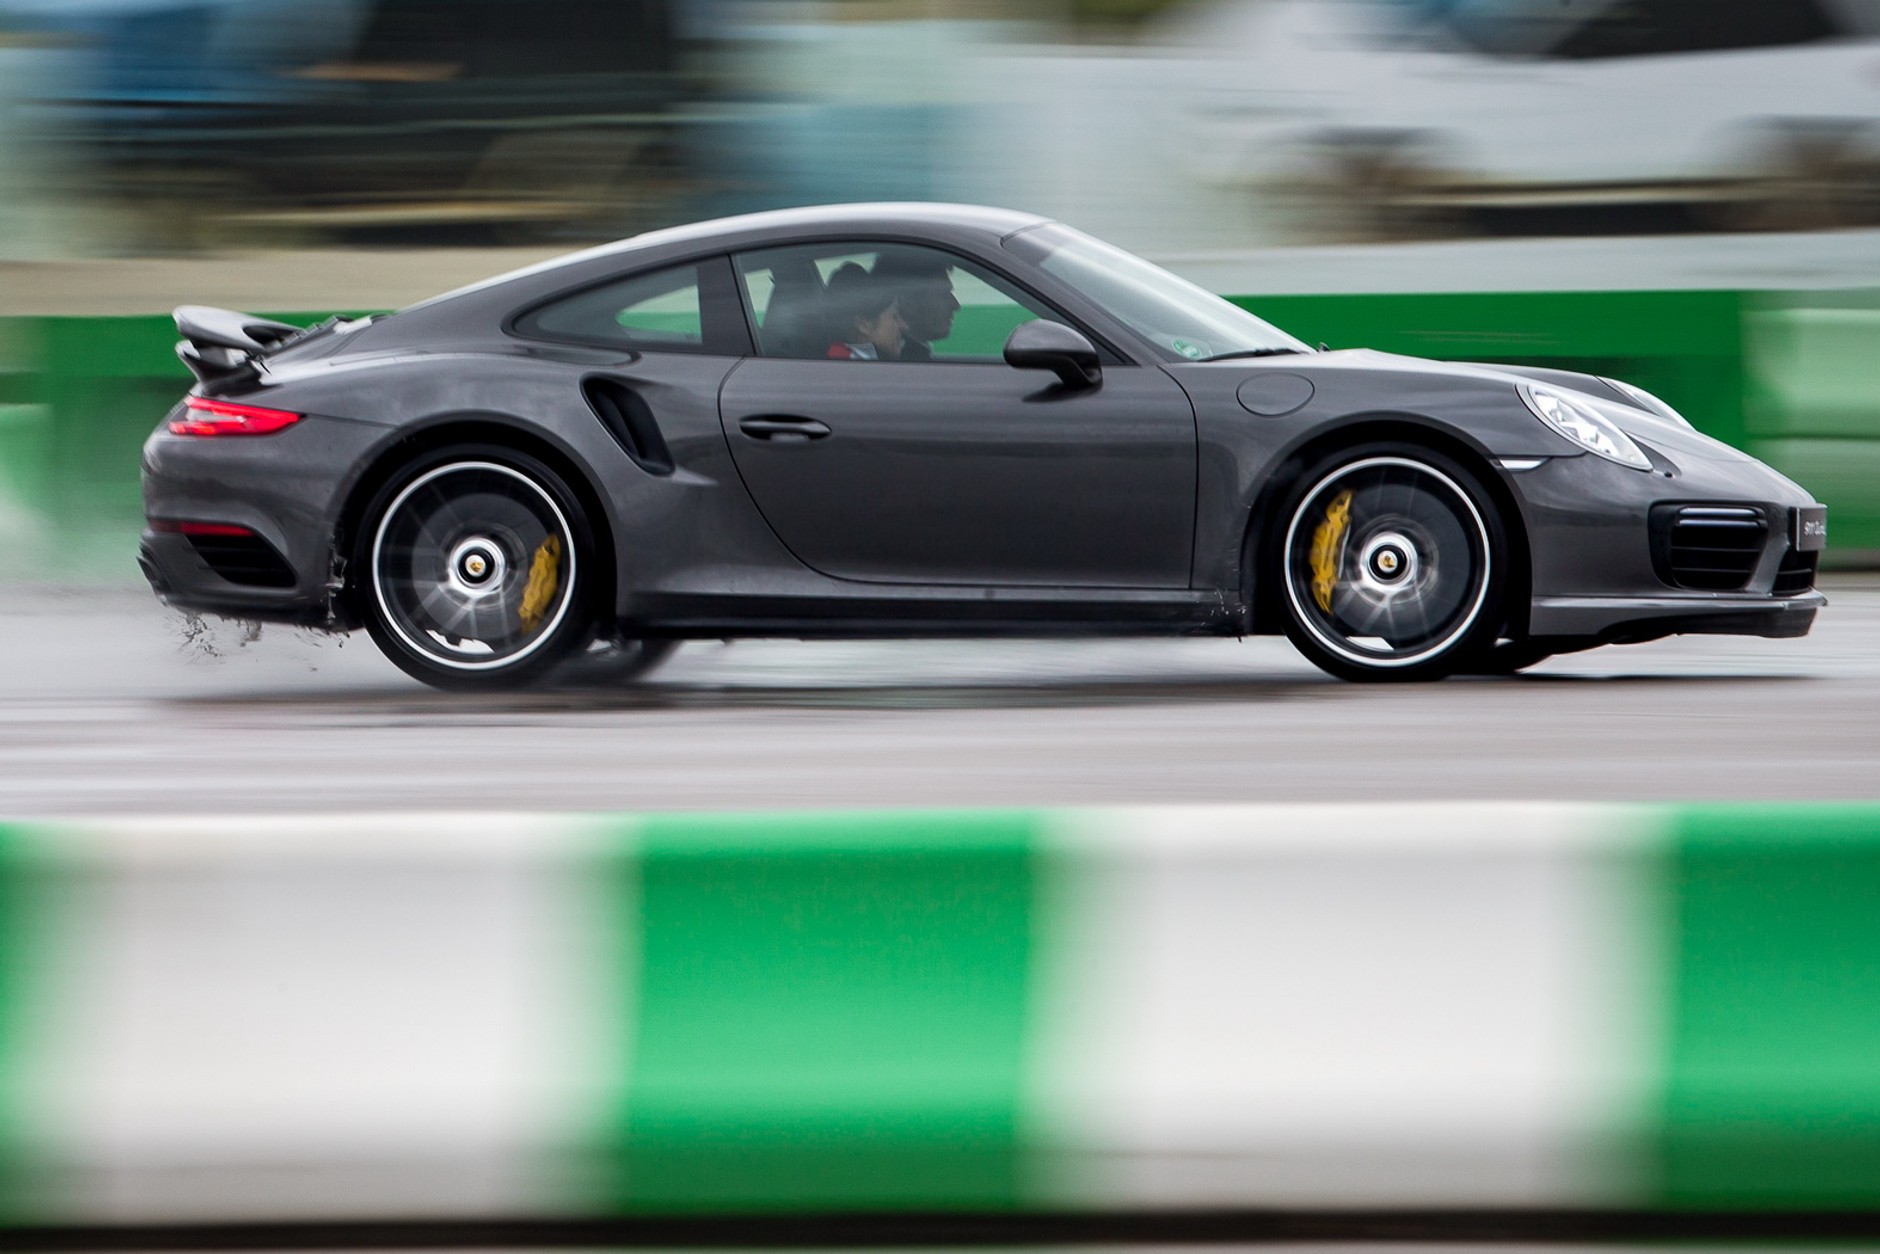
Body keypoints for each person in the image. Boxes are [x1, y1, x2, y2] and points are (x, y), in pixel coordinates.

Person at [871, 252, 960, 361]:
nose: (955, 305)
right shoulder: (903, 364)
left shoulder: (880, 360)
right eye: (943, 294)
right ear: (906, 301)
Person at [823, 262, 906, 360]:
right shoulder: (848, 369)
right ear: (864, 325)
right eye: (894, 316)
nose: (903, 326)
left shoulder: (836, 362)